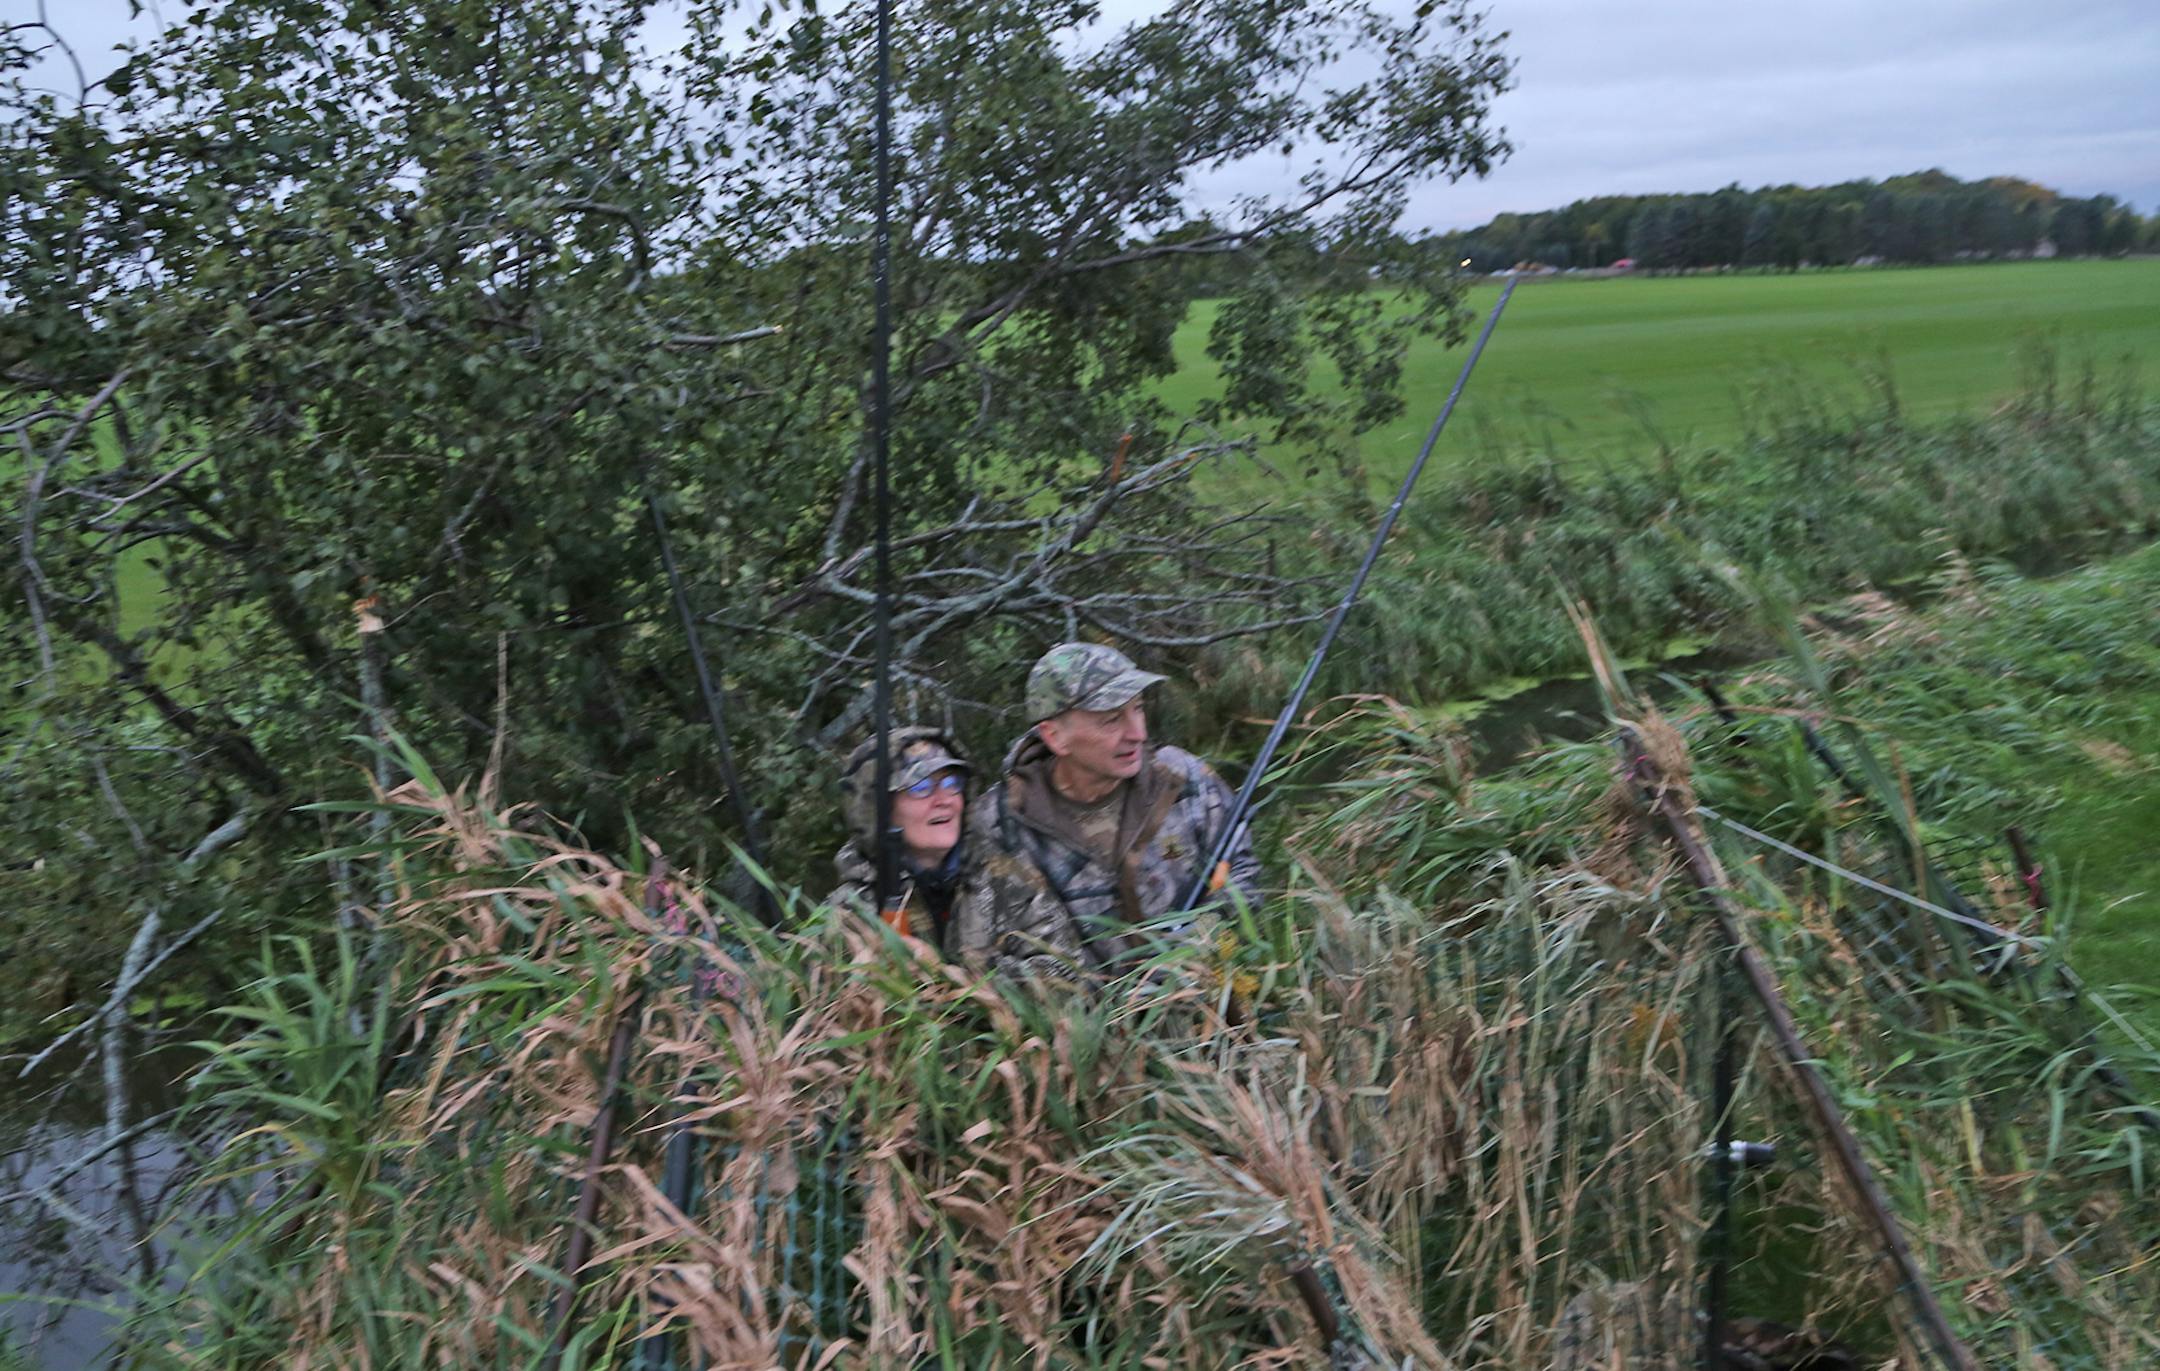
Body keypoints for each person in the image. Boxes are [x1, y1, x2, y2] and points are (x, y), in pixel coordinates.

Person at [952, 642, 1261, 978]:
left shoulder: (1183, 777)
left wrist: (1198, 942)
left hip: (1206, 1006)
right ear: (1055, 737)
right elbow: (981, 953)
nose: (1137, 734)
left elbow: (1242, 875)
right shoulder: (1001, 823)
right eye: (1111, 720)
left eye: (1138, 709)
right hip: (1083, 1022)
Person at [832, 726, 972, 952]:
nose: (943, 800)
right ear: (878, 810)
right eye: (920, 786)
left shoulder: (996, 876)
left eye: (951, 784)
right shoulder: (850, 915)